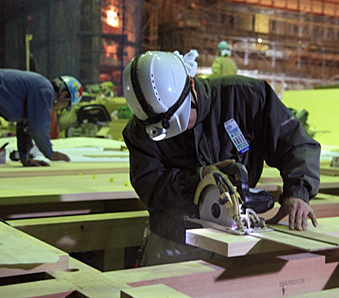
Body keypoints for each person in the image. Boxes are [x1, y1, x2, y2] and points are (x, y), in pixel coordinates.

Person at [122, 50, 321, 266]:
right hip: (174, 240)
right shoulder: (140, 130)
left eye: (183, 120)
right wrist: (197, 178)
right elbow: (151, 185)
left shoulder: (244, 96)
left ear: (191, 84)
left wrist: (298, 191)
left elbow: (296, 143)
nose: (178, 133)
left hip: (238, 234)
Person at [0, 68, 83, 167]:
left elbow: (25, 126)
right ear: (63, 95)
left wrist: (24, 158)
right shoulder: (45, 90)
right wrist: (50, 153)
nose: (60, 109)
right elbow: (38, 128)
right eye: (65, 105)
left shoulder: (39, 88)